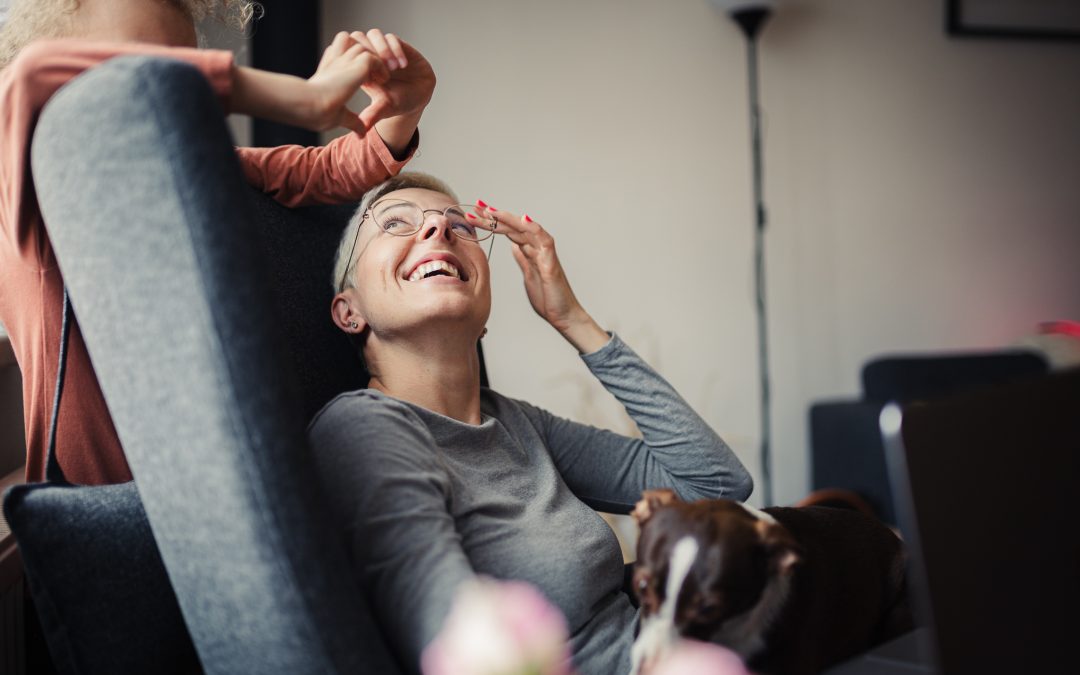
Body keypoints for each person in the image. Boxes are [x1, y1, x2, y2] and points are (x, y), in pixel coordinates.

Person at [308, 172, 755, 675]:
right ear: (350, 312)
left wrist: (573, 320)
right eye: (395, 223)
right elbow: (464, 649)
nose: (439, 231)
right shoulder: (365, 428)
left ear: (484, 316)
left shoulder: (517, 423)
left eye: (460, 225)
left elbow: (715, 484)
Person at [0, 0, 436, 485]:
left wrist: (405, 108)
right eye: (132, 70)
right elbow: (27, 76)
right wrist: (299, 97)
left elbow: (327, 170)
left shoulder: (191, 168)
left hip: (217, 486)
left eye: (184, 77)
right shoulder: (29, 200)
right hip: (103, 513)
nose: (161, 101)